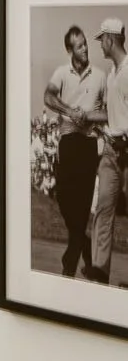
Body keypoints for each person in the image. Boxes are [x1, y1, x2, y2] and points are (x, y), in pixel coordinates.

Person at [45, 23, 107, 276]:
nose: (85, 49)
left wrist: (88, 116)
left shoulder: (101, 76)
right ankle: (82, 242)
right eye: (79, 45)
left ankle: (69, 263)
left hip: (88, 144)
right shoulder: (61, 73)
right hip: (67, 142)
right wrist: (71, 112)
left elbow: (108, 112)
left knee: (81, 206)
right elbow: (48, 98)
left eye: (85, 44)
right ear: (69, 49)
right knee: (63, 198)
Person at [91, 20, 128, 284]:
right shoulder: (113, 72)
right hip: (111, 152)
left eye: (101, 38)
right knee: (103, 210)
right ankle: (99, 271)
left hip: (126, 149)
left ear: (110, 39)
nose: (100, 44)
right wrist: (84, 115)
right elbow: (111, 113)